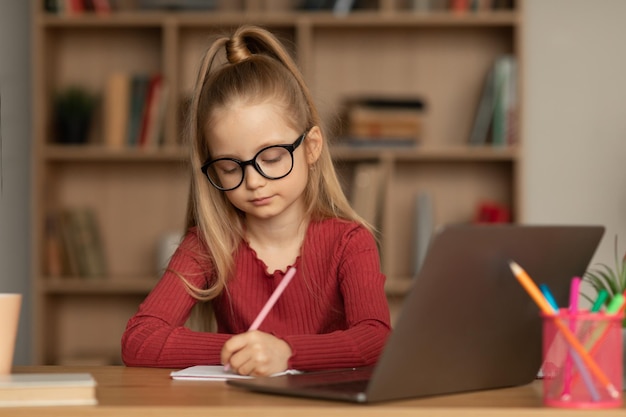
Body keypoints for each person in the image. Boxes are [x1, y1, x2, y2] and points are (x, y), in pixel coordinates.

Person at [121, 25, 391, 377]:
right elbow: (139, 341)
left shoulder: (349, 242)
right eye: (231, 167)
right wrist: (242, 350)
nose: (254, 181)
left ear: (311, 147)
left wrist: (288, 353)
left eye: (272, 158)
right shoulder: (207, 245)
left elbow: (375, 339)